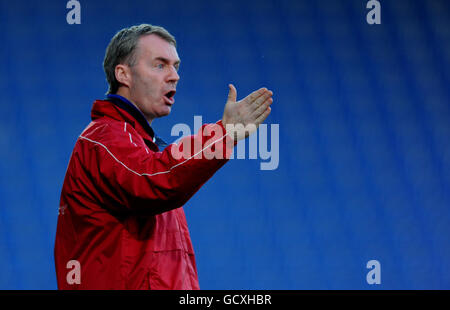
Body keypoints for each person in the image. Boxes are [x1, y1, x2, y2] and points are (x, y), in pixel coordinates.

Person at [54, 24, 273, 290]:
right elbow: (155, 180)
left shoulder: (139, 144)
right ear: (123, 74)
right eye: (160, 65)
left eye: (176, 66)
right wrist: (223, 135)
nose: (174, 76)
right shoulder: (104, 138)